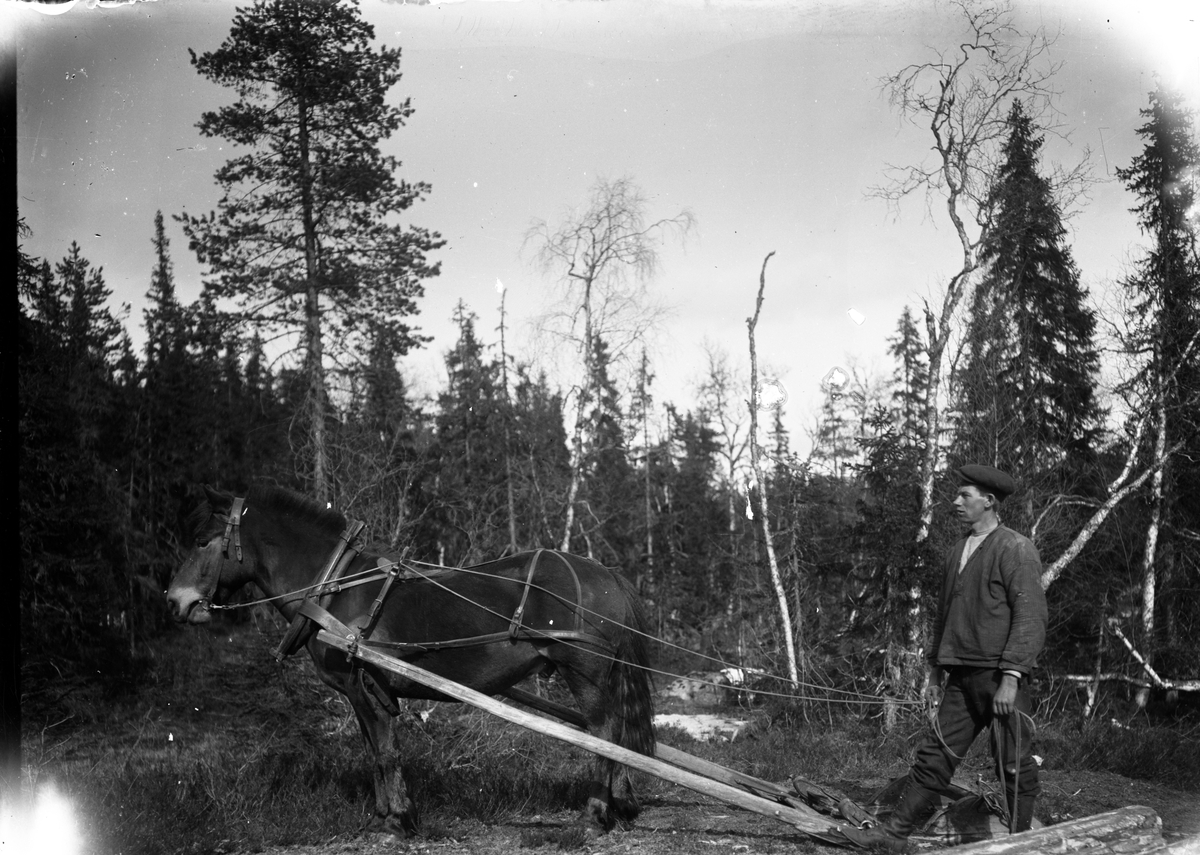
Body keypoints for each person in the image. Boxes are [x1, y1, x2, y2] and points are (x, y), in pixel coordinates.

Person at [843, 464, 1048, 852]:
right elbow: (944, 615)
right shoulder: (958, 550)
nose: (955, 502)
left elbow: (1031, 617)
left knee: (1014, 763)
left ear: (988, 501)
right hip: (961, 678)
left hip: (999, 679)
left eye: (964, 495)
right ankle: (893, 835)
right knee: (935, 755)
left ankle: (1022, 844)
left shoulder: (1016, 548)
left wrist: (1011, 677)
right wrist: (936, 670)